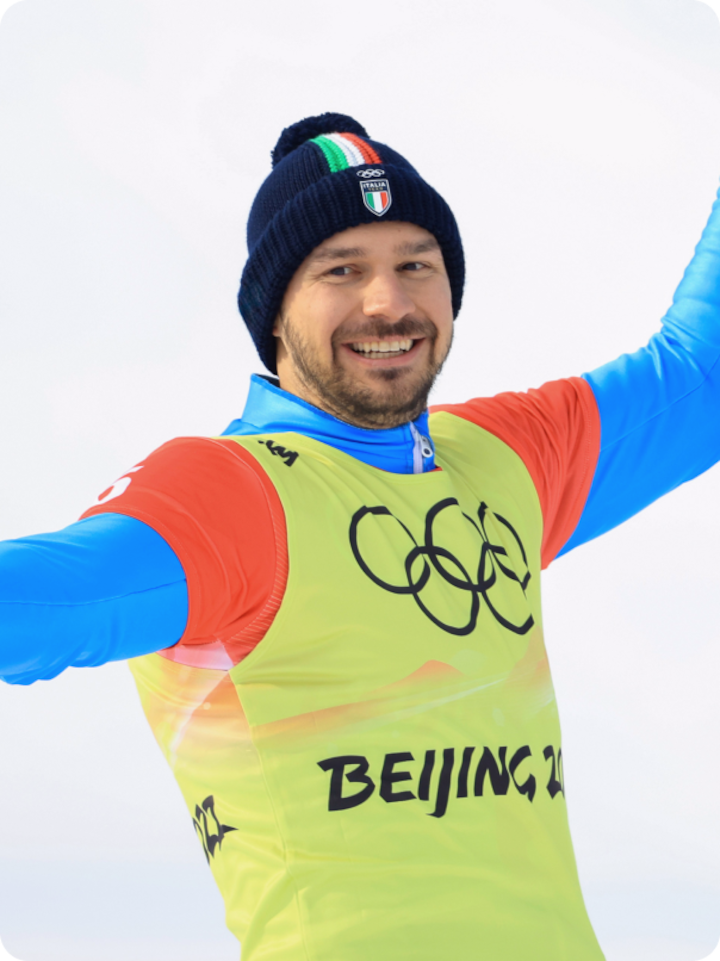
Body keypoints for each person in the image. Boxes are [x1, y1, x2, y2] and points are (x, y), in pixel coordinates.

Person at [1, 112, 719, 960]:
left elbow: (701, 382)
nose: (391, 300)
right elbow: (34, 601)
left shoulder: (502, 456)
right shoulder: (234, 493)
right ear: (273, 313)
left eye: (418, 263)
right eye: (342, 269)